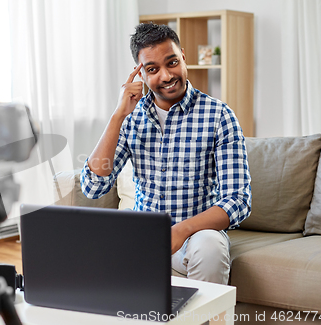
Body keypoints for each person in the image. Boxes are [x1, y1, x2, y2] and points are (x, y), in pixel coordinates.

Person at [80, 23, 251, 285]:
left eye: (171, 62)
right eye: (152, 69)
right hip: (143, 232)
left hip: (197, 234)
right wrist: (117, 116)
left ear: (183, 56)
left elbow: (238, 200)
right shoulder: (131, 118)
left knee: (210, 248)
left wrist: (181, 230)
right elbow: (93, 186)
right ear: (141, 74)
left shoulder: (219, 115)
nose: (166, 75)